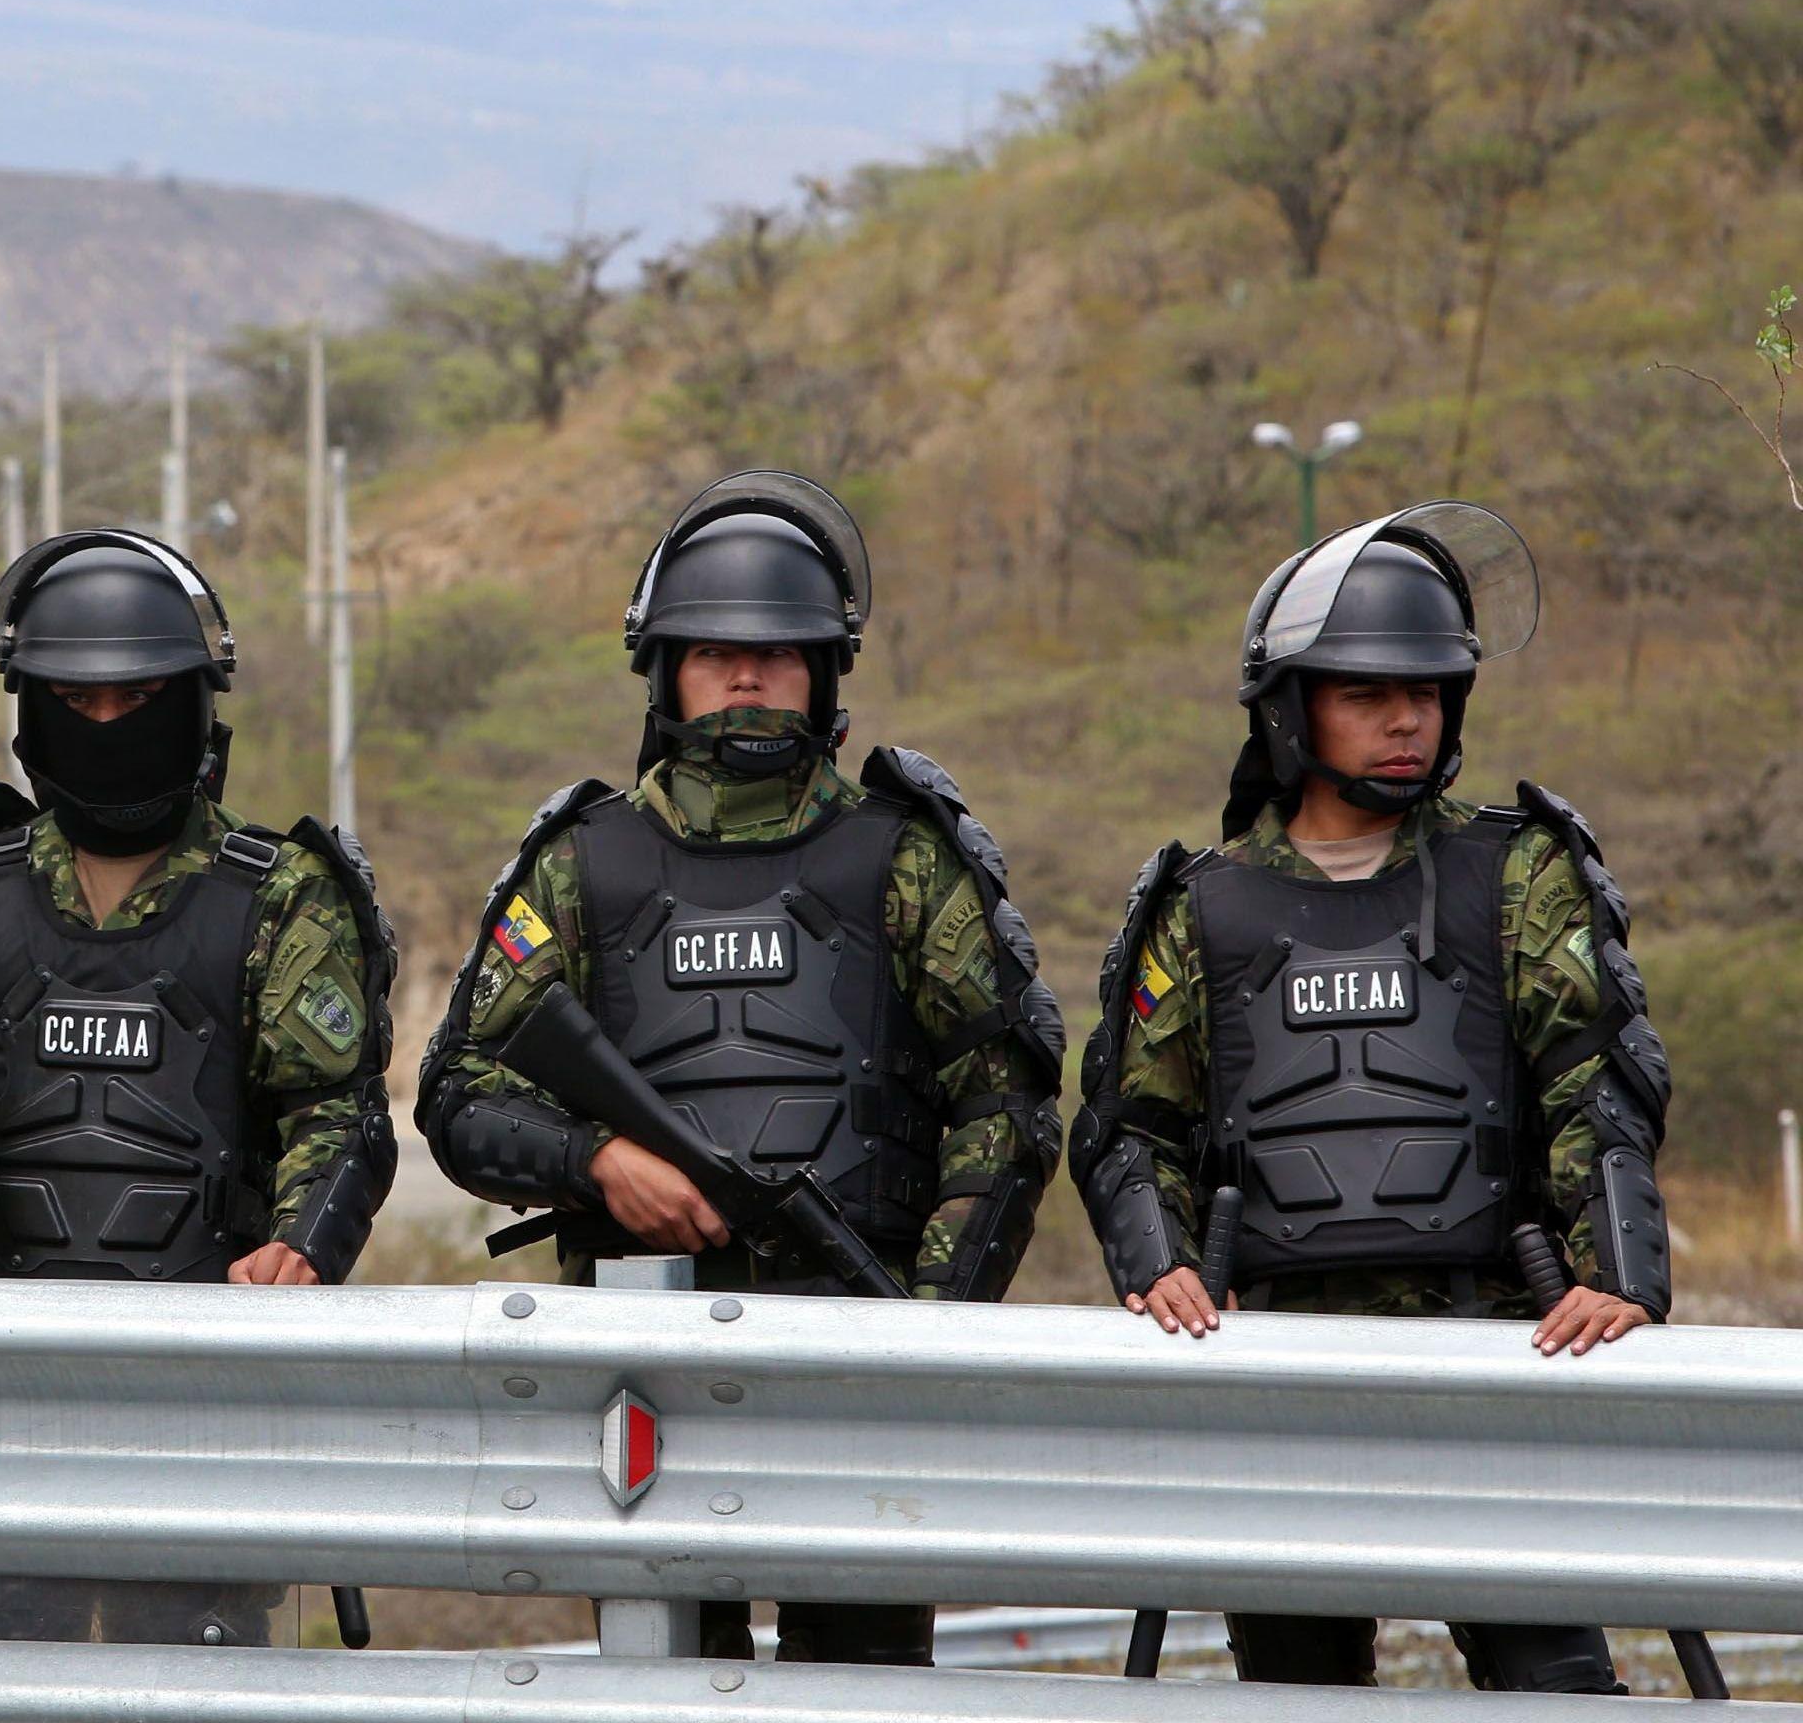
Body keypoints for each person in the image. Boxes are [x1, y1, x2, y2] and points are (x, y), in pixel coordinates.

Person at [417, 470, 1064, 1671]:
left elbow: (1006, 1101)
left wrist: (925, 1321)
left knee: (863, 1685)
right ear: (665, 674)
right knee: (664, 1677)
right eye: (715, 652)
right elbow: (458, 1096)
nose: (749, 676)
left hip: (855, 1355)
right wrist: (600, 1160)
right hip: (643, 1361)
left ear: (827, 673)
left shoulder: (902, 860)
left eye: (781, 654)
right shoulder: (582, 863)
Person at [1070, 503, 1665, 1695]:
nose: (1407, 719)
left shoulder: (1517, 873)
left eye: (1430, 692)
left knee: (1557, 1684)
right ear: (1292, 710)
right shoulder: (1205, 906)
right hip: (1282, 1374)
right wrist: (1160, 1264)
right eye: (1366, 692)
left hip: (1492, 1352)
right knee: (1300, 1697)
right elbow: (1133, 1126)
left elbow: (1593, 1079)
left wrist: (1623, 1278)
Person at [0, 530, 396, 1648]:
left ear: (191, 703)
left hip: (204, 1389)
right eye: (74, 702)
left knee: (187, 1660)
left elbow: (335, 1112)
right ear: (30, 710)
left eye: (135, 697)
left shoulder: (281, 901)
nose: (106, 726)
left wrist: (304, 1244)